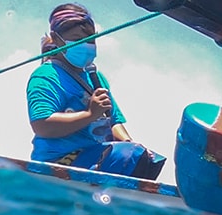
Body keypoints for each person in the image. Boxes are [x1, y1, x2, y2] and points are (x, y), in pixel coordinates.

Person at [26, 4, 164, 179]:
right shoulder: (46, 76)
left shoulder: (96, 77)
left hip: (94, 156)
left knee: (145, 158)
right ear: (56, 39)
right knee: (129, 155)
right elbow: (42, 125)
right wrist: (90, 114)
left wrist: (130, 143)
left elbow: (113, 121)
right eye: (77, 39)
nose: (86, 45)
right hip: (59, 162)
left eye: (91, 40)